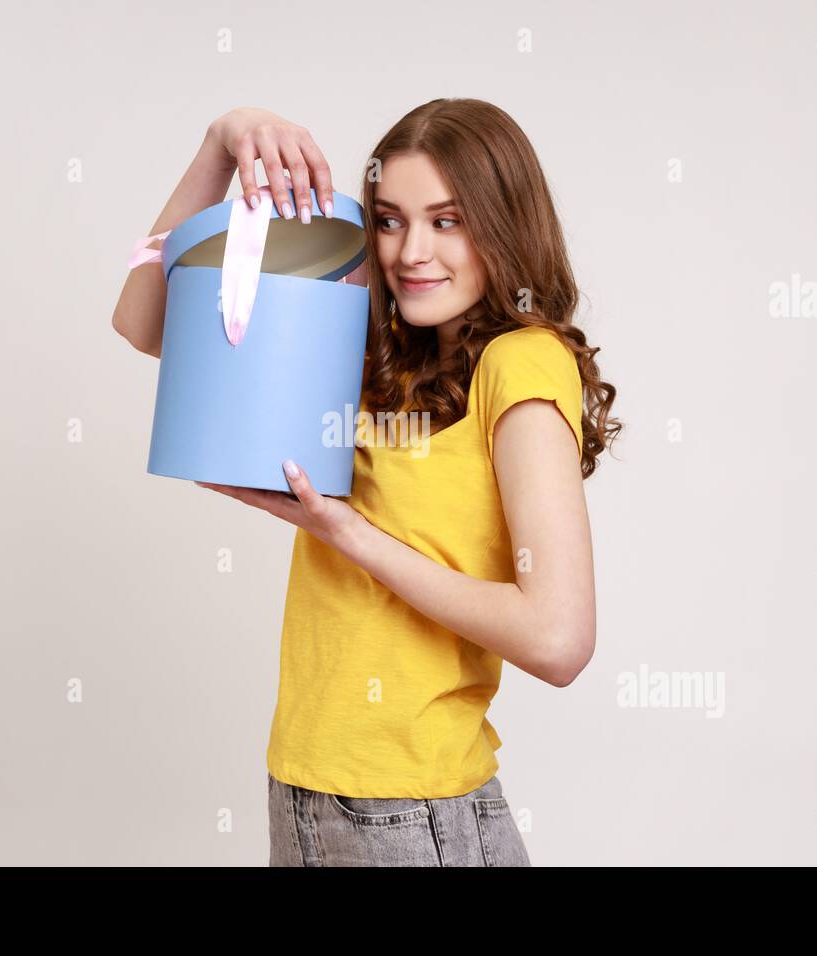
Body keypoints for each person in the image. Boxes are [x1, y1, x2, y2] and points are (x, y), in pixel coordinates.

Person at [112, 101, 621, 866]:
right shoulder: (375, 353)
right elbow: (144, 320)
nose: (412, 251)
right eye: (389, 220)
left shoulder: (522, 361)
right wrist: (219, 146)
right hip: (306, 792)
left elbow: (558, 640)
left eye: (448, 221)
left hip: (416, 816)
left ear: (506, 226)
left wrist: (345, 531)